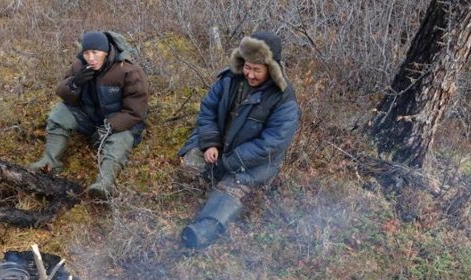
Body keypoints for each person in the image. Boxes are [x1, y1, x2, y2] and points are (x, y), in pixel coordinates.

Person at [178, 30, 299, 249]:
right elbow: (208, 110)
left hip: (252, 163)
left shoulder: (283, 100)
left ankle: (202, 231)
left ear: (271, 69)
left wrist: (227, 163)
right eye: (247, 67)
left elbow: (270, 145)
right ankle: (211, 176)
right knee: (189, 167)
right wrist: (210, 143)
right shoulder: (229, 79)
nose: (250, 74)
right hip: (220, 147)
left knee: (230, 191)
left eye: (257, 70)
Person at [28, 30, 149, 199]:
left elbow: (136, 111)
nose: (90, 58)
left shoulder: (127, 70)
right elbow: (62, 92)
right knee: (59, 114)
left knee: (120, 141)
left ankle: (104, 183)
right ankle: (49, 162)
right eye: (86, 53)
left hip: (119, 122)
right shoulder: (79, 66)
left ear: (106, 52)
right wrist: (75, 83)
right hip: (90, 117)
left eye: (95, 52)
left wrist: (110, 127)